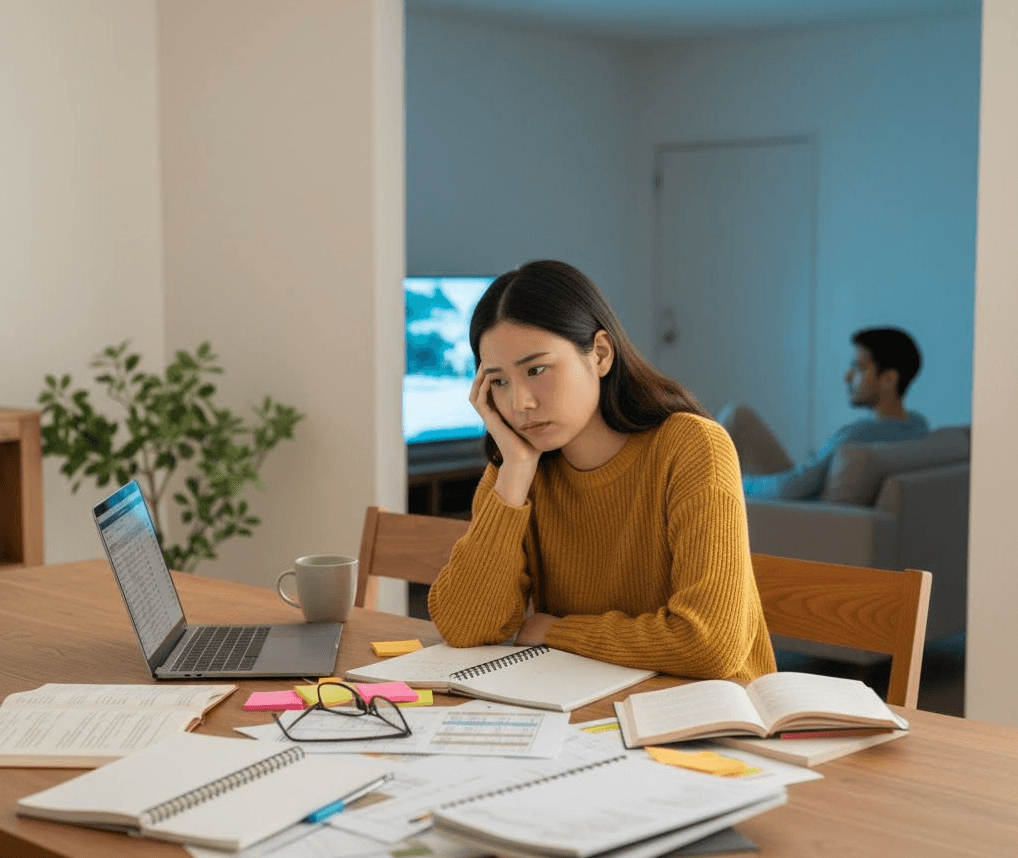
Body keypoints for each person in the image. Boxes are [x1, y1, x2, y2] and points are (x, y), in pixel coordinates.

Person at [427, 260, 776, 681]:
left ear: (601, 355)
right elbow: (466, 627)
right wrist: (516, 470)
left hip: (710, 719)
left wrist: (556, 630)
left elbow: (709, 645)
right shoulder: (518, 468)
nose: (520, 403)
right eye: (499, 382)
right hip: (587, 710)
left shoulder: (692, 446)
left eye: (536, 370)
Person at [719, 327, 928, 501]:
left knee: (736, 417)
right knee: (739, 416)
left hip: (801, 509)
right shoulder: (917, 426)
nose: (848, 377)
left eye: (859, 368)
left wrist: (734, 482)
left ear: (889, 379)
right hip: (808, 490)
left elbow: (789, 489)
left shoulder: (857, 434)